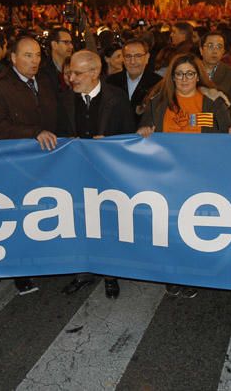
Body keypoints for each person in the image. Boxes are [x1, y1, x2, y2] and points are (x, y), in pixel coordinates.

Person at [137, 53, 231, 299]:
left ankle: (194, 273)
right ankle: (174, 272)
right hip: (167, 178)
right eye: (179, 74)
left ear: (198, 75)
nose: (184, 78)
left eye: (190, 73)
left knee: (196, 228)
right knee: (169, 228)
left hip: (201, 178)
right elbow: (144, 130)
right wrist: (144, 130)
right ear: (172, 77)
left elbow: (223, 132)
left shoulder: (212, 102)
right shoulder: (158, 102)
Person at [57, 50, 135, 299]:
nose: (71, 78)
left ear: (94, 73)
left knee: (106, 225)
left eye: (77, 73)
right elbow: (58, 132)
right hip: (75, 175)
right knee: (79, 223)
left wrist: (109, 144)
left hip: (107, 176)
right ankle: (82, 272)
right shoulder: (65, 99)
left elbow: (129, 136)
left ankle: (110, 274)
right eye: (70, 72)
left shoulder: (117, 99)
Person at [0, 36, 58, 296]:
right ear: (13, 58)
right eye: (28, 55)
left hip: (49, 160)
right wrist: (33, 132)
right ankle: (21, 272)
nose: (34, 60)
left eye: (37, 55)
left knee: (46, 211)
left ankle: (49, 259)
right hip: (17, 164)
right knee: (20, 216)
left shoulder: (47, 80)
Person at [105, 39, 161, 125]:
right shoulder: (111, 82)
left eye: (138, 56)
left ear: (147, 58)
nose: (133, 61)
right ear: (123, 59)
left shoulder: (158, 83)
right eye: (128, 56)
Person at [199, 32, 231, 103]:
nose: (215, 51)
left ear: (223, 52)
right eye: (210, 46)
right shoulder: (192, 71)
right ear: (201, 50)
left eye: (219, 47)